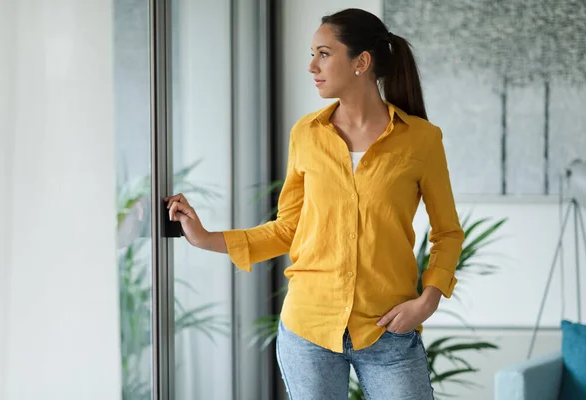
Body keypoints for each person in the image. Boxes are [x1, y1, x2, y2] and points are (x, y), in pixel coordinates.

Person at [164, 7, 464, 400]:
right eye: (311, 54)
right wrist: (204, 238)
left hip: (390, 328)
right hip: (309, 329)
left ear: (362, 62)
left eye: (323, 53)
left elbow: (447, 232)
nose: (311, 66)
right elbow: (288, 229)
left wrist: (427, 301)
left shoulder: (421, 139)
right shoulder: (307, 134)